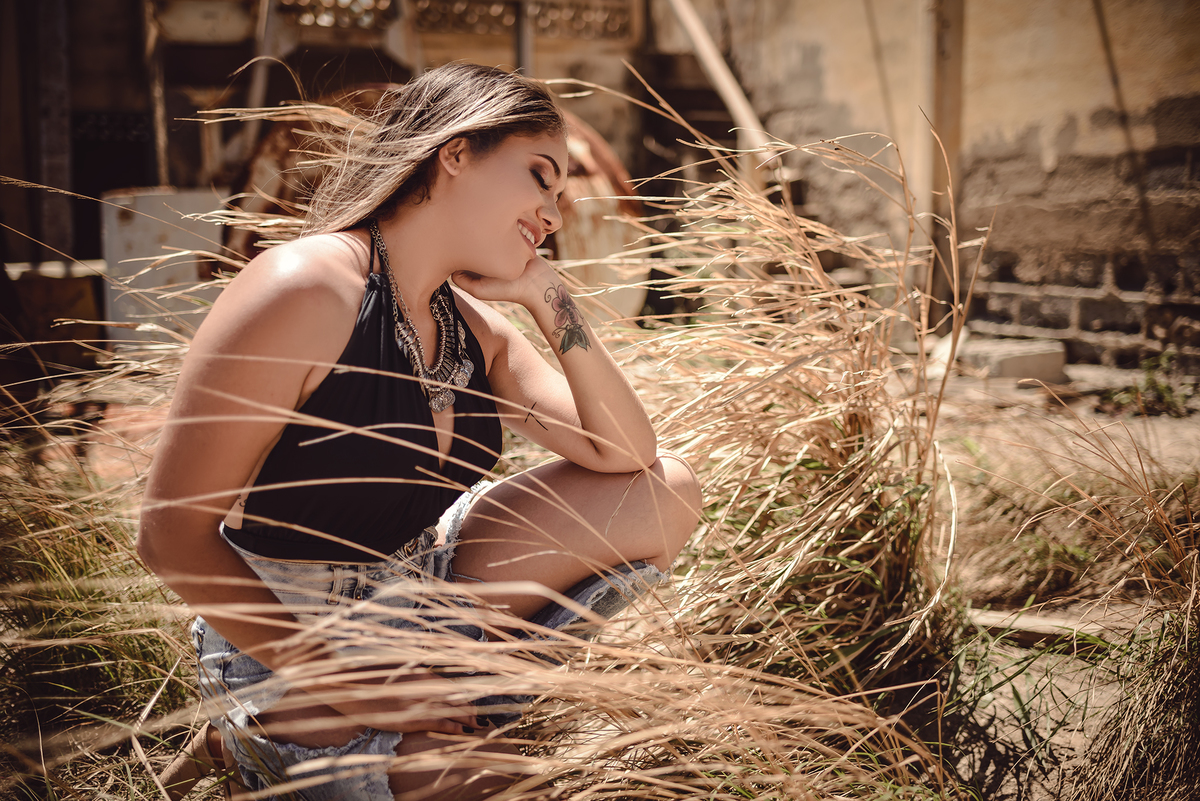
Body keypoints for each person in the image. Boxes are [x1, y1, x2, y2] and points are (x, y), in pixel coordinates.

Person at [138, 62, 702, 801]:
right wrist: (354, 688)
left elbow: (628, 455)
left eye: (561, 194)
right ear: (456, 151)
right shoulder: (305, 288)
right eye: (539, 177)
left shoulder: (469, 326)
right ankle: (244, 734)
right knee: (494, 787)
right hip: (289, 633)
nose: (554, 213)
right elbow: (170, 537)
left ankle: (451, 696)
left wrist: (550, 299)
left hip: (421, 596)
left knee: (668, 492)